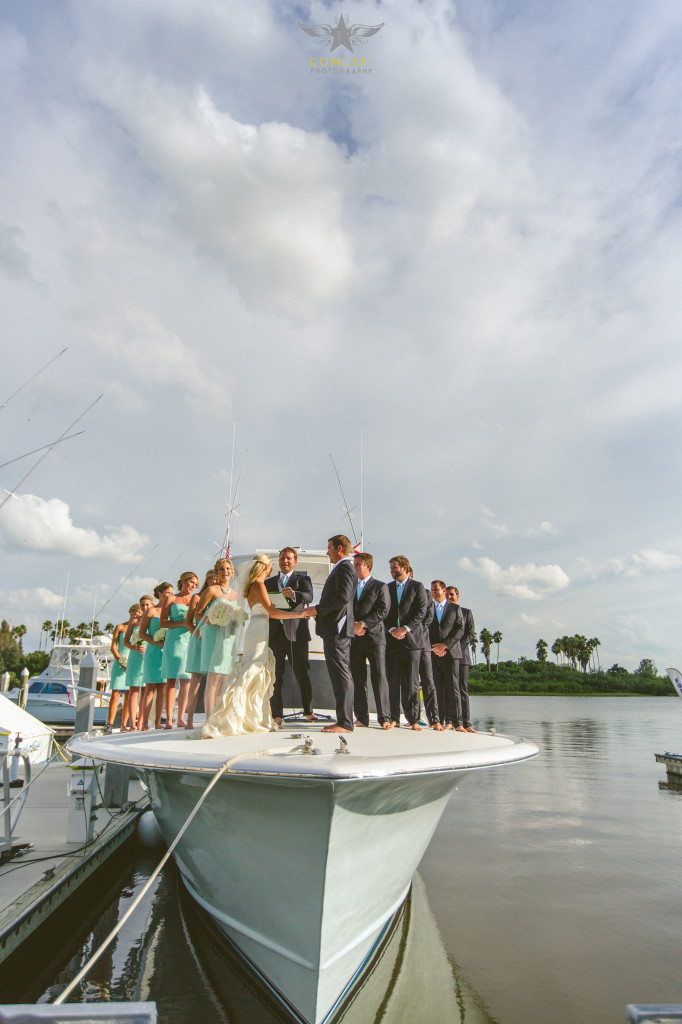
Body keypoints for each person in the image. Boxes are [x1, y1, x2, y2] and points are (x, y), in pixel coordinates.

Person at [202, 554, 306, 737]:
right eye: (270, 567)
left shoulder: (253, 585)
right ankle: (234, 714)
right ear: (265, 568)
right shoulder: (259, 585)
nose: (272, 570)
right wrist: (298, 615)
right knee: (252, 670)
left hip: (258, 628)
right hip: (259, 629)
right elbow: (272, 612)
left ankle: (250, 714)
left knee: (252, 668)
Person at [302, 535, 357, 733]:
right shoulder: (343, 569)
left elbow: (342, 599)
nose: (327, 553)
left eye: (329, 548)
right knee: (339, 674)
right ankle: (343, 719)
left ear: (339, 549)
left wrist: (315, 610)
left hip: (337, 631)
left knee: (341, 675)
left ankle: (345, 723)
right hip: (333, 630)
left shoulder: (344, 569)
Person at [264, 547, 315, 724]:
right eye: (282, 558)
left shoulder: (303, 579)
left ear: (295, 561)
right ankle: (276, 714)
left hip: (297, 635)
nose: (285, 561)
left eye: (288, 559)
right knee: (275, 676)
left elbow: (309, 596)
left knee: (302, 674)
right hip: (274, 635)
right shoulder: (268, 582)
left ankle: (308, 710)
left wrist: (295, 594)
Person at [193, 559, 240, 719]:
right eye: (221, 569)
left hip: (228, 637)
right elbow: (198, 613)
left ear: (232, 571)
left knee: (224, 677)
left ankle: (219, 715)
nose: (225, 571)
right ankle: (209, 717)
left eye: (227, 568)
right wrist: (213, 621)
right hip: (213, 634)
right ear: (216, 572)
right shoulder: (211, 590)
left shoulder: (235, 594)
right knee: (213, 677)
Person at [350, 552, 392, 728]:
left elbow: (383, 610)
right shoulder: (350, 586)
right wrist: (353, 626)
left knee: (379, 677)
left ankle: (385, 718)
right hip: (354, 640)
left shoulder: (380, 587)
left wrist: (363, 624)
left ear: (368, 566)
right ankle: (362, 717)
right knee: (358, 679)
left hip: (375, 639)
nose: (354, 567)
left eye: (358, 564)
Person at [384, 556, 427, 729]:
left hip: (412, 641)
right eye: (391, 568)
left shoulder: (418, 587)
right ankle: (394, 718)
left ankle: (414, 719)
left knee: (411, 683)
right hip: (392, 641)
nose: (392, 570)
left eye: (394, 567)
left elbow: (421, 611)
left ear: (404, 567)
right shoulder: (387, 588)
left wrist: (405, 628)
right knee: (393, 681)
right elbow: (384, 611)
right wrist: (392, 629)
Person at [160, 571, 199, 729]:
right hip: (173, 641)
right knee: (171, 680)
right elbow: (163, 622)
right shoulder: (171, 598)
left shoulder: (195, 599)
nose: (193, 586)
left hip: (189, 641)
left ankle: (181, 717)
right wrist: (182, 623)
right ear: (183, 581)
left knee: (186, 680)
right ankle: (169, 719)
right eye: (191, 583)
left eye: (195, 585)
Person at [180, 570, 218, 729]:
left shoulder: (219, 598)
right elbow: (189, 621)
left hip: (214, 640)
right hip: (198, 639)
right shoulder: (196, 597)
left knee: (213, 680)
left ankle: (211, 718)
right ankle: (188, 720)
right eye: (213, 579)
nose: (216, 582)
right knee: (195, 681)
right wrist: (198, 634)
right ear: (208, 580)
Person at [409, 567, 442, 730]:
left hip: (422, 644)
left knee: (429, 682)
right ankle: (413, 718)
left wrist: (411, 629)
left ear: (410, 574)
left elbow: (428, 618)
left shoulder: (425, 594)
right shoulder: (398, 594)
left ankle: (434, 719)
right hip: (407, 645)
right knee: (411, 683)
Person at [430, 580, 466, 731]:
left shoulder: (455, 608)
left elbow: (459, 630)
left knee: (453, 689)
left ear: (443, 590)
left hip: (451, 653)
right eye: (432, 590)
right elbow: (425, 627)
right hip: (433, 653)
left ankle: (457, 723)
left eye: (436, 589)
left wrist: (444, 645)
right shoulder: (428, 608)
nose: (433, 592)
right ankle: (440, 720)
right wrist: (434, 647)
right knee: (436, 688)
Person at [138, 582, 174, 730]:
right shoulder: (151, 611)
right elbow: (142, 633)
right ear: (160, 594)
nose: (170, 596)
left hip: (167, 651)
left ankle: (158, 722)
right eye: (168, 593)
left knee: (163, 687)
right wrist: (156, 642)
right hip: (153, 651)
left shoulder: (171, 610)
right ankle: (145, 722)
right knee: (150, 687)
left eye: (172, 593)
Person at [446, 585, 477, 733]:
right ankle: (450, 721)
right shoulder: (442, 612)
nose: (449, 597)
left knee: (462, 690)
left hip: (462, 656)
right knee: (448, 689)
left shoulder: (466, 613)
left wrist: (456, 645)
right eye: (447, 594)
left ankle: (466, 722)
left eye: (452, 594)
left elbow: (470, 633)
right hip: (447, 657)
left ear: (458, 596)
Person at [122, 596, 153, 731]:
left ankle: (141, 722)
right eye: (142, 605)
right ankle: (132, 724)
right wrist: (134, 647)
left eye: (147, 605)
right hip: (135, 656)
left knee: (146, 690)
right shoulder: (134, 622)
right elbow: (126, 641)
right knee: (134, 690)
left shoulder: (154, 620)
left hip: (149, 655)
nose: (145, 607)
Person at [105, 614, 132, 732]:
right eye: (135, 612)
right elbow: (113, 647)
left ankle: (124, 724)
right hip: (119, 661)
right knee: (115, 693)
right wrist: (121, 661)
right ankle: (109, 724)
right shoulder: (120, 627)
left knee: (129, 694)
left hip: (132, 661)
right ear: (131, 612)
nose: (137, 614)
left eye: (139, 613)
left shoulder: (139, 627)